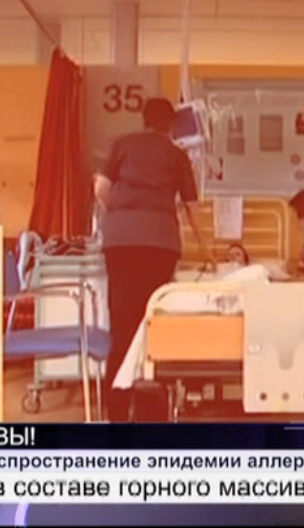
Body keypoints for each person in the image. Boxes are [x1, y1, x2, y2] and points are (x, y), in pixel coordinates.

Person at [94, 97, 213, 421]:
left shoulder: (122, 145)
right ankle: (151, 414)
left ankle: (117, 413)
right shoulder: (177, 155)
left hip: (120, 241)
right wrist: (207, 251)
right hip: (159, 243)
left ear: (144, 119)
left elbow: (100, 188)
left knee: (122, 326)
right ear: (171, 125)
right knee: (153, 325)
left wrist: (119, 212)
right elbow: (191, 207)